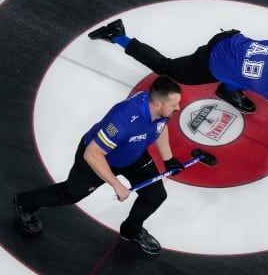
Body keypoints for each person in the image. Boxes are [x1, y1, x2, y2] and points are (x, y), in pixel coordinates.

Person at [88, 19, 268, 147]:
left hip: (231, 40)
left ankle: (228, 90)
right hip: (211, 60)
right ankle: (118, 36)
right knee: (167, 68)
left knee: (241, 76)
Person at [12, 76, 184, 255]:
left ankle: (131, 230)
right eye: (174, 105)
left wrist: (168, 159)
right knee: (70, 194)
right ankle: (25, 203)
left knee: (155, 195)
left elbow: (160, 127)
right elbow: (92, 154)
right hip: (100, 158)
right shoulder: (123, 120)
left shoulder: (161, 110)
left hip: (133, 154)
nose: (178, 108)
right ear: (157, 104)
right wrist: (116, 185)